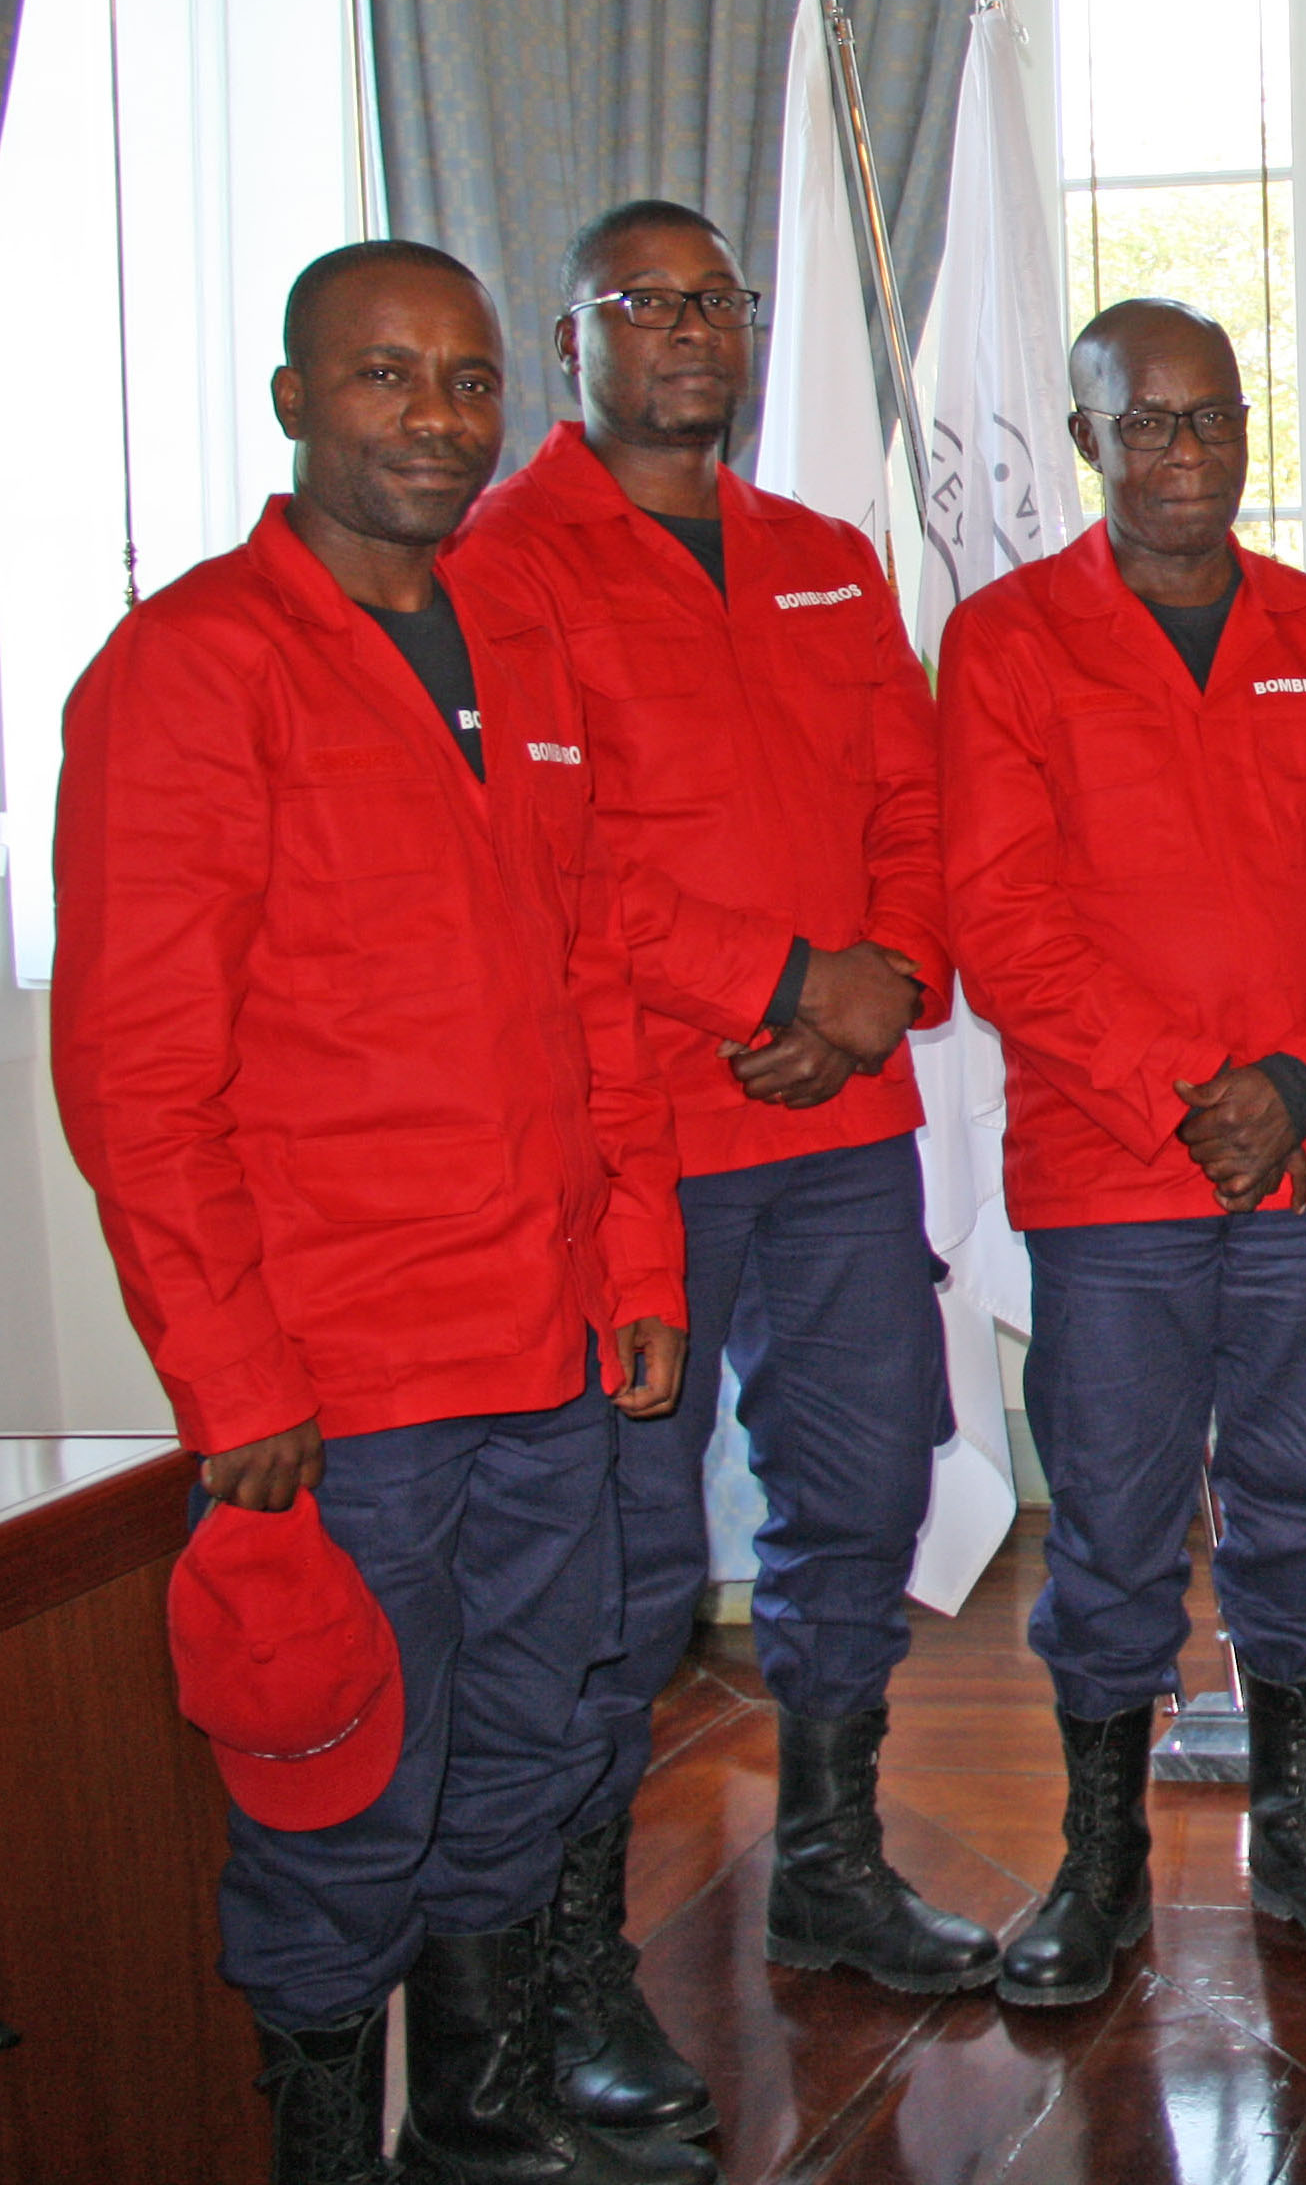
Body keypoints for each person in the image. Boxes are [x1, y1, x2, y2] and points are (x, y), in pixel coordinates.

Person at [52, 242, 715, 2185]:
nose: (436, 419)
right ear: (290, 401)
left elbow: (590, 979)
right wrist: (232, 1376)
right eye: (385, 377)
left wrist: (642, 1254)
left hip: (548, 1355)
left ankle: (482, 2126)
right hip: (339, 1395)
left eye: (469, 381)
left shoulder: (521, 652)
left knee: (522, 1755)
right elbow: (138, 1083)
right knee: (341, 1793)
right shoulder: (187, 674)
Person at [450, 202, 994, 2114]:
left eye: (715, 300)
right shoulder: (504, 562)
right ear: (573, 328)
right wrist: (777, 976)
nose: (689, 330)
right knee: (620, 1552)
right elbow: (556, 858)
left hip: (843, 1128)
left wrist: (887, 976)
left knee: (855, 1485)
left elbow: (914, 803)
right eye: (644, 302)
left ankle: (829, 1867)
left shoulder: (825, 558)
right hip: (638, 1141)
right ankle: (576, 1958)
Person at [942, 300, 1306, 1990]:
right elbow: (1003, 923)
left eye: (1210, 417)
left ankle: (1301, 1824)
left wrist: (1295, 1083)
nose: (1182, 453)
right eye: (1143, 422)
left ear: (1248, 428)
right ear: (1086, 439)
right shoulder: (1006, 641)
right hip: (1113, 1172)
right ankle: (1100, 1861)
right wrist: (1187, 1087)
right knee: (1112, 1513)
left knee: (1304, 1496)